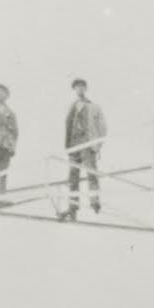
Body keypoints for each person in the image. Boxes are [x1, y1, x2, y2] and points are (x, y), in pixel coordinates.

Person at [59, 79, 106, 221]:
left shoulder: (93, 107)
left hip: (87, 143)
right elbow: (68, 126)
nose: (79, 89)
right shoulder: (72, 107)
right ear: (74, 90)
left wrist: (97, 145)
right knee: (73, 177)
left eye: (81, 87)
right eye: (76, 87)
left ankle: (95, 200)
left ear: (85, 88)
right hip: (74, 145)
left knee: (91, 172)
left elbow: (102, 127)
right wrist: (68, 146)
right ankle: (73, 207)